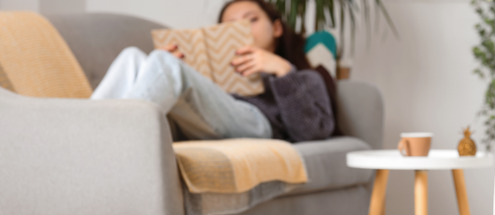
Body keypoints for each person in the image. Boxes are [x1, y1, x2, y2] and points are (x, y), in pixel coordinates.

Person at [91, 0, 335, 143]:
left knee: (163, 63)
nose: (243, 28)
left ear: (277, 28)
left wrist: (282, 70)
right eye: (231, 26)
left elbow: (312, 133)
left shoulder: (304, 77)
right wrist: (163, 69)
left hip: (258, 123)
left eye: (251, 20)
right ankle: (84, 130)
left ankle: (113, 141)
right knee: (133, 57)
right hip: (207, 114)